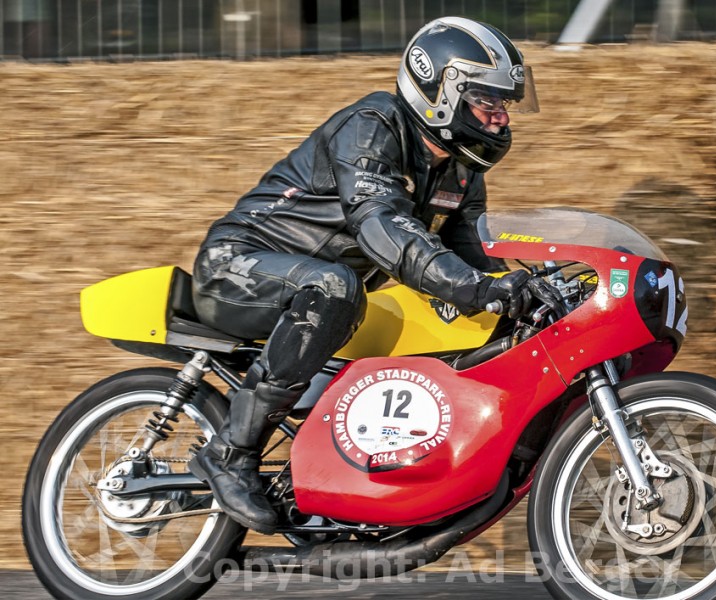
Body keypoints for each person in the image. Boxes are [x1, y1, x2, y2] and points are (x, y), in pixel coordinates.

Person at [188, 16, 563, 534]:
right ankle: (230, 453)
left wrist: (525, 293)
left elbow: (472, 255)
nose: (500, 119)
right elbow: (383, 228)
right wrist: (478, 288)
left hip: (318, 292)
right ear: (440, 92)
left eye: (504, 105)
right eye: (487, 101)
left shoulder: (461, 169)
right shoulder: (374, 124)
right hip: (235, 266)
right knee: (334, 287)